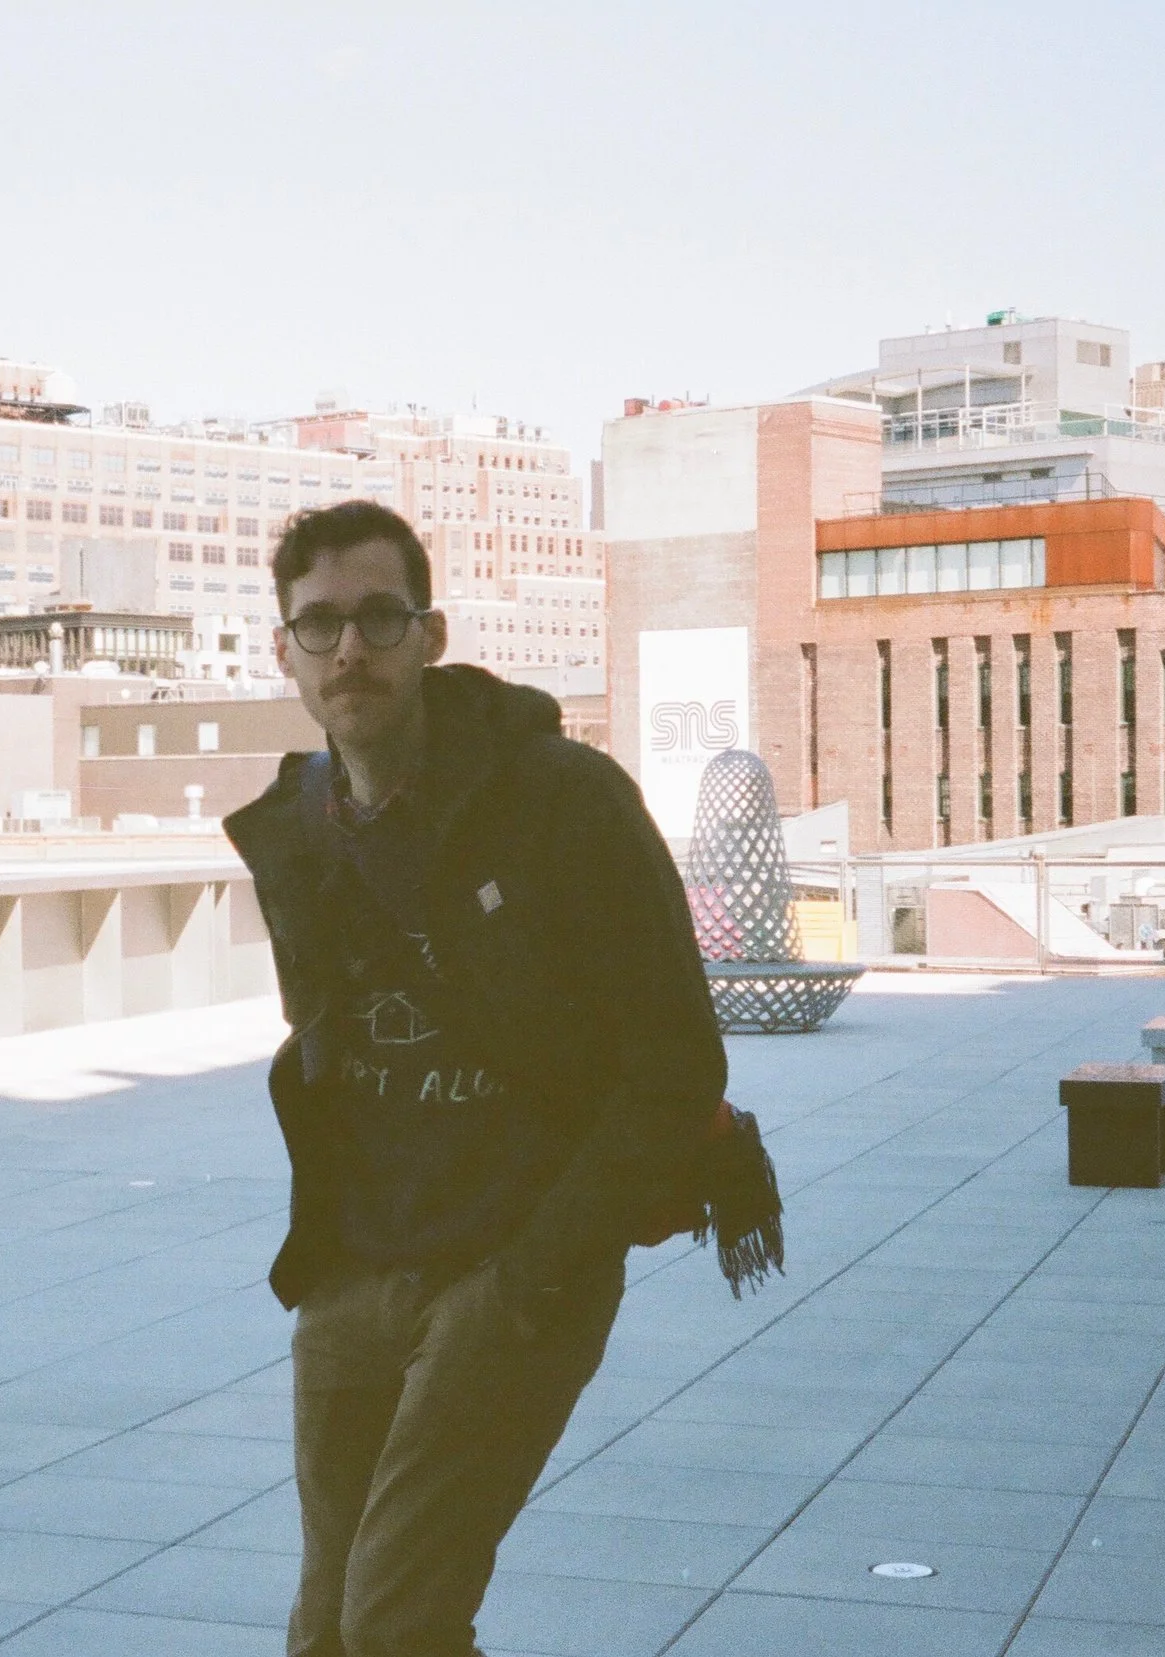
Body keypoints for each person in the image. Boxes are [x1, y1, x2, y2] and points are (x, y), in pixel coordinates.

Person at [224, 500, 728, 1657]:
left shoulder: (561, 798)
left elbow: (677, 1059)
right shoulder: (298, 826)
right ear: (285, 650)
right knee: (326, 1629)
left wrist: (541, 1264)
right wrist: (326, 1262)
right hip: (357, 1270)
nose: (350, 649)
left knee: (396, 1619)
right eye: (319, 625)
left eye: (379, 617)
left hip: (509, 1267)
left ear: (431, 634)